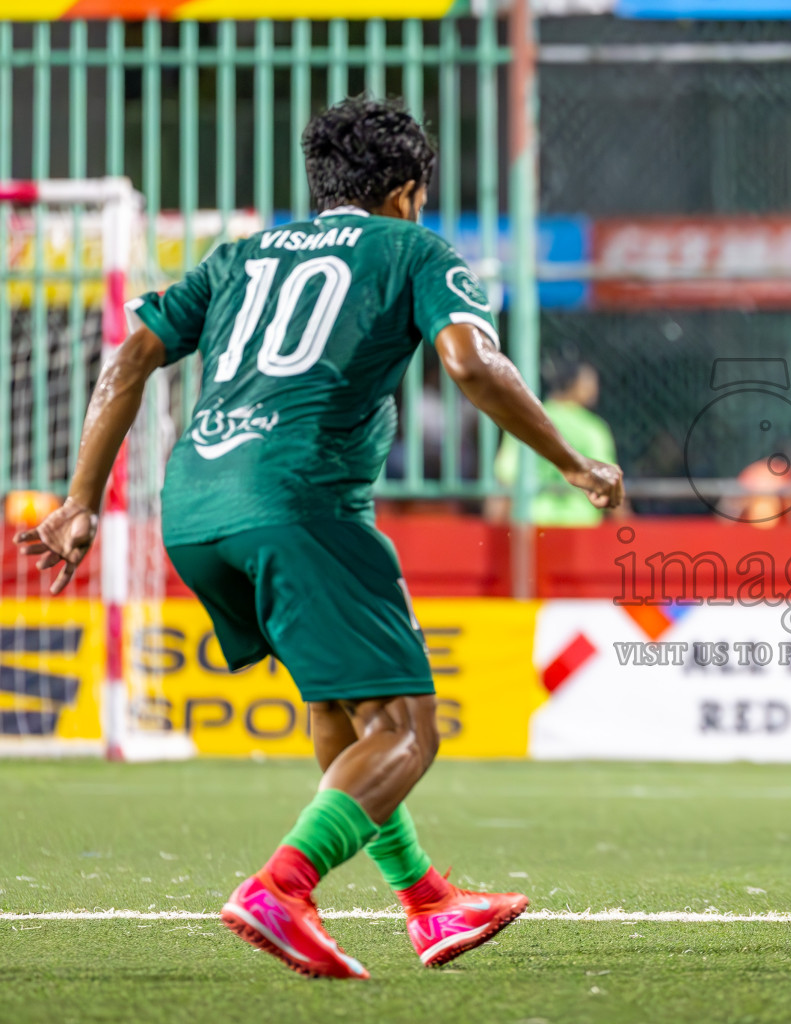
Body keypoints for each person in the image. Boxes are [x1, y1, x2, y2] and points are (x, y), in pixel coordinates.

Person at [12, 97, 623, 979]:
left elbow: (130, 356)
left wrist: (78, 501)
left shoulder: (239, 256)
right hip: (301, 504)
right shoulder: (413, 249)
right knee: (410, 729)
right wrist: (570, 461)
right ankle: (281, 887)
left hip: (191, 509)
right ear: (409, 189)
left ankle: (427, 904)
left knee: (343, 710)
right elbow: (469, 363)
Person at [491, 347, 620, 526]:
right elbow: (608, 481)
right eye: (591, 381)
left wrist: (493, 529)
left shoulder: (525, 421)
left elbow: (506, 479)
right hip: (580, 527)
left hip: (532, 524)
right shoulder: (593, 429)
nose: (595, 388)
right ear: (576, 383)